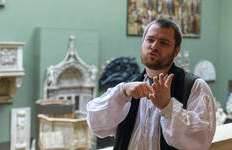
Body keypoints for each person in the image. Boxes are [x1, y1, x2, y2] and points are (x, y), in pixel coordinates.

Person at [86, 18, 216, 150]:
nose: (154, 46)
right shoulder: (129, 87)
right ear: (142, 43)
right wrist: (121, 92)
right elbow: (97, 126)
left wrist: (168, 107)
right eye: (150, 40)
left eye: (164, 43)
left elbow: (201, 140)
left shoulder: (194, 86)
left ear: (176, 51)